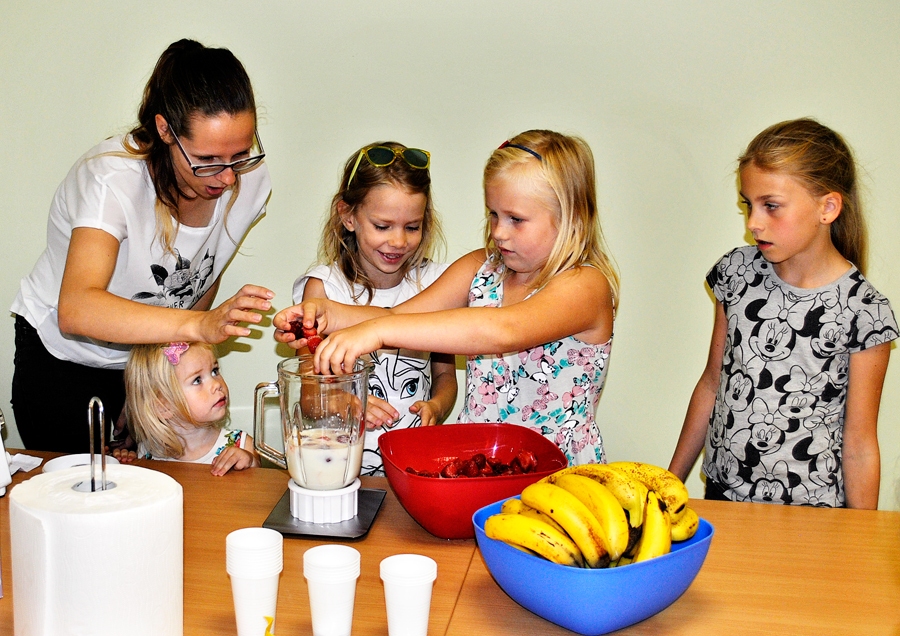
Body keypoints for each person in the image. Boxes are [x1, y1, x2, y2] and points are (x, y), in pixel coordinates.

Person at [275, 130, 619, 466]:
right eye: (493, 215)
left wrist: (375, 333)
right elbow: (398, 316)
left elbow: (503, 329)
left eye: (516, 219)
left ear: (571, 218)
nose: (498, 231)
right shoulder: (481, 268)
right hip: (480, 465)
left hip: (558, 472)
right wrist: (326, 314)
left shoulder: (585, 286)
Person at [11, 39, 274, 453]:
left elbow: (202, 274)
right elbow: (77, 308)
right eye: (207, 160)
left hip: (148, 363)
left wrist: (152, 379)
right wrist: (195, 327)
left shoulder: (252, 182)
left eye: (240, 156)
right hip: (63, 361)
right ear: (165, 130)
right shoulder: (112, 179)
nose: (227, 178)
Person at [668, 118, 898, 509]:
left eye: (771, 206)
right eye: (749, 205)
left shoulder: (864, 312)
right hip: (725, 496)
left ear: (827, 207)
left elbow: (859, 444)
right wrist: (668, 483)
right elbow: (711, 384)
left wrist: (863, 543)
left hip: (813, 513)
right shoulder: (737, 274)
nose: (753, 224)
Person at [293, 141, 458, 475]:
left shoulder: (438, 287)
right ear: (348, 216)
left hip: (413, 468)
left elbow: (445, 376)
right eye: (383, 226)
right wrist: (346, 404)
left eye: (412, 227)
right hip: (339, 467)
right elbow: (310, 394)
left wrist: (436, 408)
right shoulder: (324, 289)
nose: (398, 242)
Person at [113, 342, 259, 475]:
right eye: (197, 380)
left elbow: (262, 488)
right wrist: (128, 466)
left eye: (215, 371)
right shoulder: (149, 452)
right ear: (163, 407)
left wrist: (250, 461)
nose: (216, 384)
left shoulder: (242, 444)